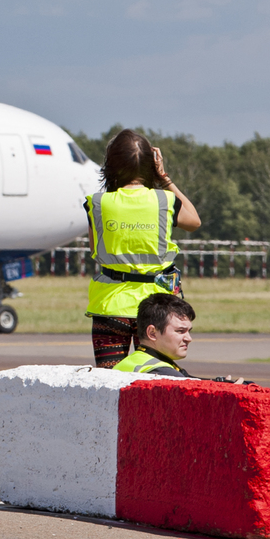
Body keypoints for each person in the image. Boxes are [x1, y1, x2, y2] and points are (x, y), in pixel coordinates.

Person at [85, 130, 201, 368]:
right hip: (158, 310)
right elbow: (194, 221)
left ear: (111, 165)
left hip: (110, 305)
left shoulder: (98, 204)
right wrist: (165, 178)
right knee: (157, 381)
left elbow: (94, 249)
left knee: (110, 384)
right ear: (151, 164)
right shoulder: (164, 201)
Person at [112, 294, 250, 382]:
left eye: (188, 331)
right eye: (180, 331)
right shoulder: (163, 374)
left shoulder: (131, 363)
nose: (188, 338)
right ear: (152, 333)